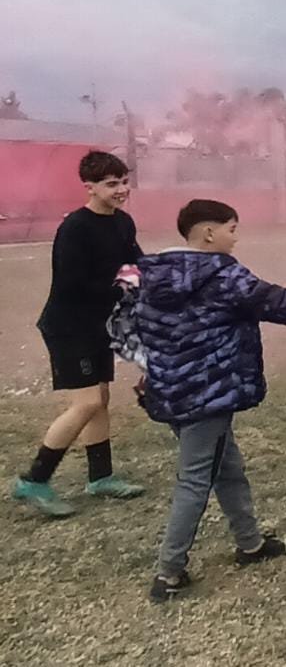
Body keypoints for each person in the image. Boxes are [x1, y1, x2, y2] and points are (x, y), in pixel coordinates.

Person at [134, 199, 286, 603]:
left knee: (228, 467)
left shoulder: (155, 273)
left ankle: (250, 543)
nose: (236, 238)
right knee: (195, 477)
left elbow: (145, 331)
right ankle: (169, 571)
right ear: (208, 233)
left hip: (170, 388)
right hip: (208, 394)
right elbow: (279, 302)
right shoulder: (221, 274)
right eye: (232, 229)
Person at [13, 151, 146, 518]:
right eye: (111, 184)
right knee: (86, 403)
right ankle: (33, 479)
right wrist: (122, 287)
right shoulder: (75, 228)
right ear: (89, 187)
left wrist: (153, 278)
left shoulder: (122, 223)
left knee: (101, 398)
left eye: (123, 182)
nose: (121, 190)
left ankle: (101, 477)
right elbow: (73, 284)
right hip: (69, 326)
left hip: (97, 325)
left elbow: (136, 261)